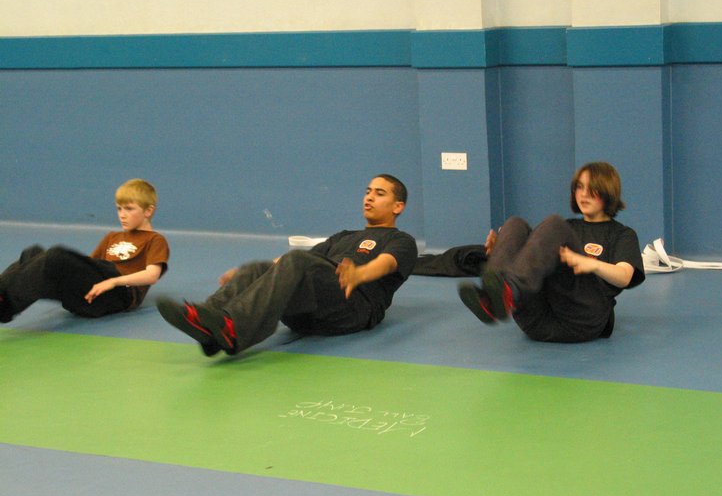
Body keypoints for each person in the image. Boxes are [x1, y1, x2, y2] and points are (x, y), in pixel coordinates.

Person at [157, 174, 418, 358]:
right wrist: (246, 275)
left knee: (297, 260)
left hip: (352, 308)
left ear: (398, 206)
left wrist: (359, 274)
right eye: (368, 191)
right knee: (259, 268)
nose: (369, 198)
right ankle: (207, 323)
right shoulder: (344, 236)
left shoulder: (402, 241)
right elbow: (298, 264)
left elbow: (386, 264)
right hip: (309, 313)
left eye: (379, 194)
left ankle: (233, 329)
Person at [458, 161, 645, 343]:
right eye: (579, 187)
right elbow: (530, 263)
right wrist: (501, 251)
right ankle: (493, 299)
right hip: (536, 321)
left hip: (581, 321)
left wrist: (592, 264)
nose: (583, 194)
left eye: (592, 188)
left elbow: (624, 276)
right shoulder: (566, 228)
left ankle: (508, 291)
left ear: (607, 191)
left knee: (555, 225)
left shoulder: (621, 234)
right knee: (515, 224)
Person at [0, 179, 169, 323]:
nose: (122, 215)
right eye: (119, 209)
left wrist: (113, 282)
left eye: (129, 209)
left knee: (55, 256)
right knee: (33, 253)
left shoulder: (154, 240)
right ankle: (3, 302)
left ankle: (4, 303)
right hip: (91, 292)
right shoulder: (112, 237)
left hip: (119, 295)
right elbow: (88, 265)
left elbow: (151, 275)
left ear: (148, 211)